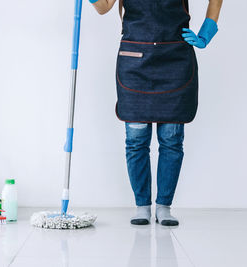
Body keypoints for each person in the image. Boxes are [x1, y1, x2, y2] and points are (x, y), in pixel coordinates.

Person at [90, 0, 223, 226]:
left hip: (175, 57)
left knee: (171, 139)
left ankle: (164, 207)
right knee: (136, 139)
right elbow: (104, 7)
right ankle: (142, 206)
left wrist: (206, 31)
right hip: (135, 60)